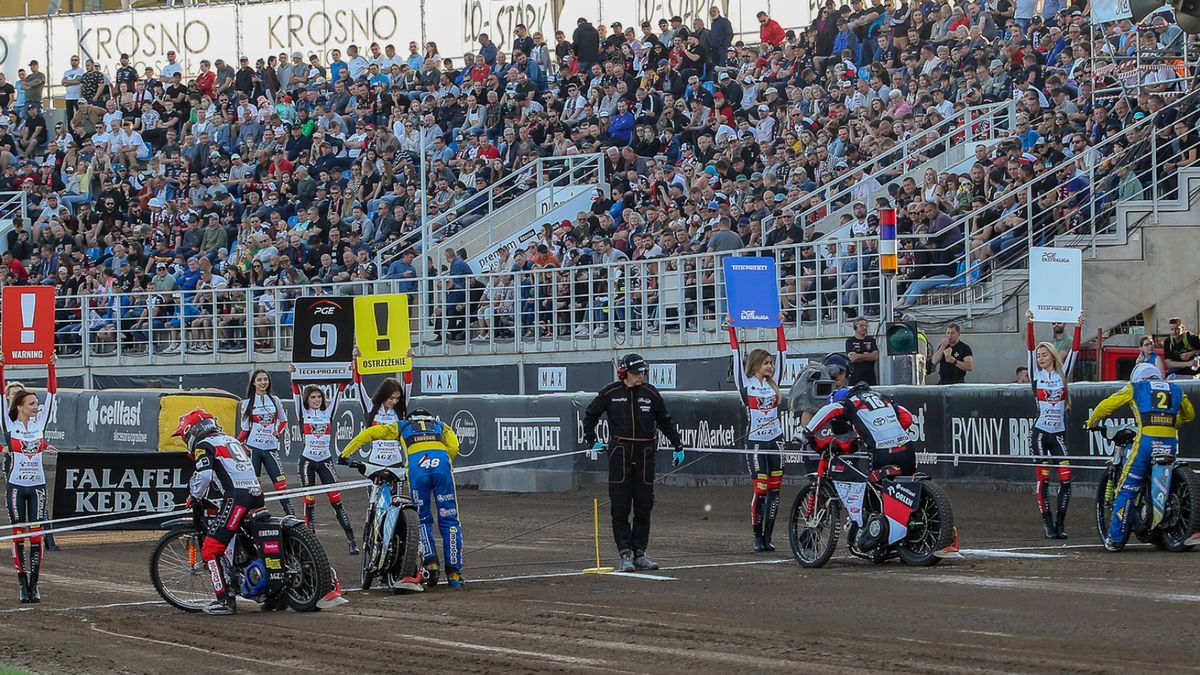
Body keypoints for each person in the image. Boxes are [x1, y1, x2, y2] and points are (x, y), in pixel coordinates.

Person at [581, 353, 685, 572]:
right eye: (636, 372)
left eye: (642, 372)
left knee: (644, 505)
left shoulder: (651, 393)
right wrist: (592, 441)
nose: (640, 376)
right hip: (620, 452)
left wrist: (678, 446)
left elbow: (665, 420)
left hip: (646, 452)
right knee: (620, 505)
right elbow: (590, 415)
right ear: (624, 372)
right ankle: (624, 553)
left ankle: (640, 552)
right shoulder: (610, 392)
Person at [340, 408, 465, 588]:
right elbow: (454, 447)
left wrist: (345, 453)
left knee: (421, 518)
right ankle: (454, 575)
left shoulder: (403, 425)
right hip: (442, 469)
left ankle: (431, 562)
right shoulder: (441, 426)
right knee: (450, 519)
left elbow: (371, 433)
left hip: (418, 470)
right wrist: (445, 463)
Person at [1086, 363, 1195, 551]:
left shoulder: (1135, 387)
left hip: (1145, 442)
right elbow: (1189, 415)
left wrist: (1092, 422)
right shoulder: (1175, 389)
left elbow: (1107, 405)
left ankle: (1116, 539)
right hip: (1169, 443)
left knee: (1127, 487)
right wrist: (1175, 423)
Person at [173, 408, 266, 615]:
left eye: (184, 435)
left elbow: (204, 476)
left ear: (192, 431)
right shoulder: (230, 439)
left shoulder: (203, 445)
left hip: (237, 498)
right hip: (256, 492)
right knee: (244, 541)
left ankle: (224, 600)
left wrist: (195, 495)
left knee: (210, 549)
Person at [0, 355, 56, 603]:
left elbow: (53, 395)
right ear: (20, 406)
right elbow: (1, 397)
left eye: (36, 403)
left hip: (37, 487)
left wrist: (51, 366)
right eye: (32, 403)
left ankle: (35, 585)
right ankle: (22, 583)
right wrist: (1, 366)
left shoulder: (39, 424)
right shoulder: (9, 426)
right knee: (18, 535)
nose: (36, 406)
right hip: (15, 486)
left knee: (36, 536)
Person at [728, 319, 787, 552]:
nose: (770, 367)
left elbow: (783, 353)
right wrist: (732, 329)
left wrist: (780, 327)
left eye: (770, 363)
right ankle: (756, 535)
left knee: (775, 490)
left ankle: (768, 536)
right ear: (755, 365)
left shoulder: (775, 385)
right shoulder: (746, 383)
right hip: (755, 443)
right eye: (765, 363)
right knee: (760, 490)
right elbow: (734, 354)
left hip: (776, 442)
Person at [1025, 310, 1083, 539]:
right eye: (1038, 355)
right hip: (1040, 433)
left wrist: (1078, 326)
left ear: (1051, 355)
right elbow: (1029, 350)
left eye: (1043, 354)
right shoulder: (1035, 374)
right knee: (1044, 480)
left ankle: (1060, 523)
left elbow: (1075, 351)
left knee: (1067, 479)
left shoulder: (1062, 374)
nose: (1039, 357)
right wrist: (1029, 324)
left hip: (1059, 434)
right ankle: (1047, 524)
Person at [289, 365, 357, 554]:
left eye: (319, 397)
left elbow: (341, 390)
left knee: (336, 501)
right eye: (313, 397)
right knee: (309, 502)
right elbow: (295, 391)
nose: (317, 400)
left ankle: (351, 540)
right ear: (307, 399)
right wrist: (293, 373)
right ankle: (310, 543)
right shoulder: (303, 413)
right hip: (308, 463)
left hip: (326, 461)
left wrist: (350, 366)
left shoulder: (328, 413)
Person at [803, 382, 916, 479]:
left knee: (875, 492)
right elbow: (907, 418)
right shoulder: (882, 399)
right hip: (906, 447)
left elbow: (830, 409)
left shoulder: (849, 403)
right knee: (910, 489)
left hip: (881, 451)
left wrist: (807, 432)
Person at [237, 369, 294, 516]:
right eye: (260, 380)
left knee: (281, 485)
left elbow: (284, 421)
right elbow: (244, 430)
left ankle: (291, 515)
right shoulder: (246, 403)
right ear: (254, 383)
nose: (263, 382)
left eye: (265, 379)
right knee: (255, 488)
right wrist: (234, 444)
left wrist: (278, 432)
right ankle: (257, 516)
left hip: (270, 449)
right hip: (253, 449)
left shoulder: (275, 400)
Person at [845, 317, 879, 386]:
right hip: (855, 379)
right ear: (855, 327)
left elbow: (875, 356)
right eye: (861, 326)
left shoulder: (871, 340)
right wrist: (868, 356)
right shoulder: (850, 341)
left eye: (866, 326)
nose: (864, 328)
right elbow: (852, 359)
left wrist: (859, 356)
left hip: (870, 379)